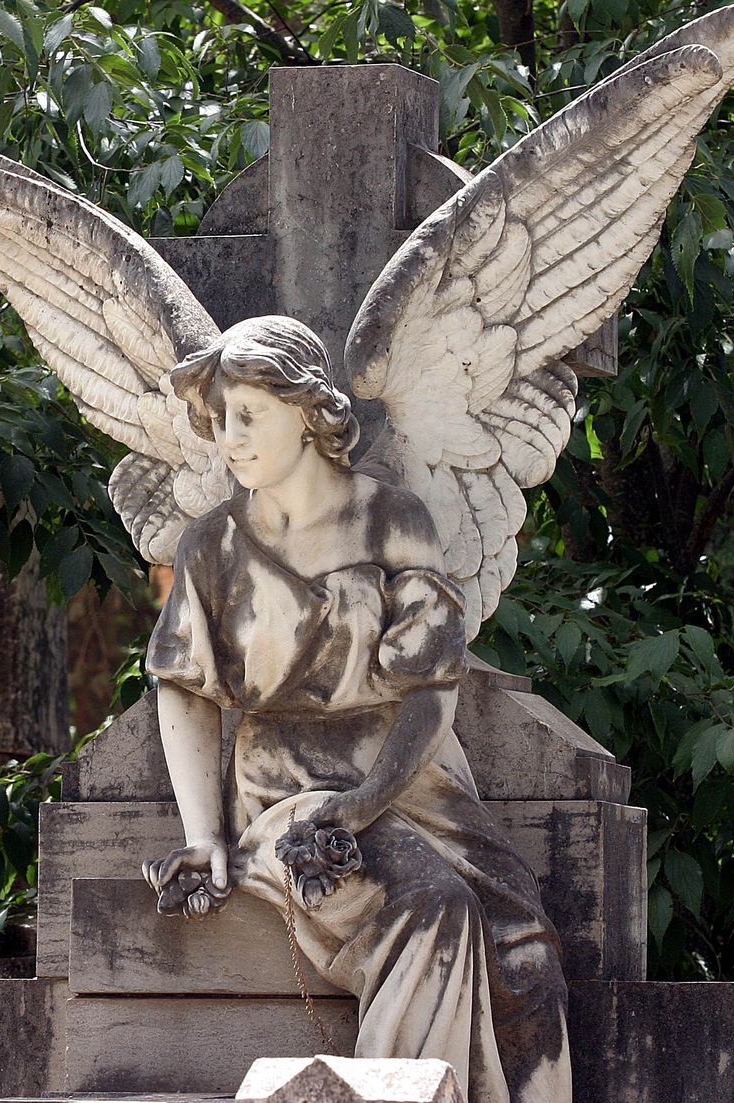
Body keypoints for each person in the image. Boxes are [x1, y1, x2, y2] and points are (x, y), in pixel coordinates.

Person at [140, 318, 570, 1103]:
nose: (227, 439)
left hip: (412, 779)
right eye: (222, 418)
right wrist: (206, 837)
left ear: (306, 412)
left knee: (527, 952)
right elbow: (185, 686)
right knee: (433, 907)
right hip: (287, 789)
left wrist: (368, 801)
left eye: (247, 416)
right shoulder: (212, 546)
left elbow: (431, 687)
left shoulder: (392, 519)